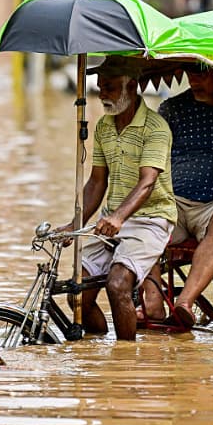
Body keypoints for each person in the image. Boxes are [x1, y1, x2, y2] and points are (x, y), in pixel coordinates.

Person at [58, 56, 177, 341]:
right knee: (78, 294)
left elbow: (148, 181)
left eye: (110, 87)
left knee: (118, 284)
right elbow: (97, 182)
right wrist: (73, 225)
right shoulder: (103, 127)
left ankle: (127, 356)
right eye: (100, 87)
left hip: (151, 219)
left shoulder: (155, 128)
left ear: (132, 85)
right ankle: (96, 346)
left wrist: (119, 217)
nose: (103, 94)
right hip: (111, 220)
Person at [141, 66, 213, 329]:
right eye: (191, 74)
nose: (194, 81)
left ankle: (185, 303)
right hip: (175, 202)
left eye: (202, 74)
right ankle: (153, 302)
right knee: (144, 222)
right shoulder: (173, 109)